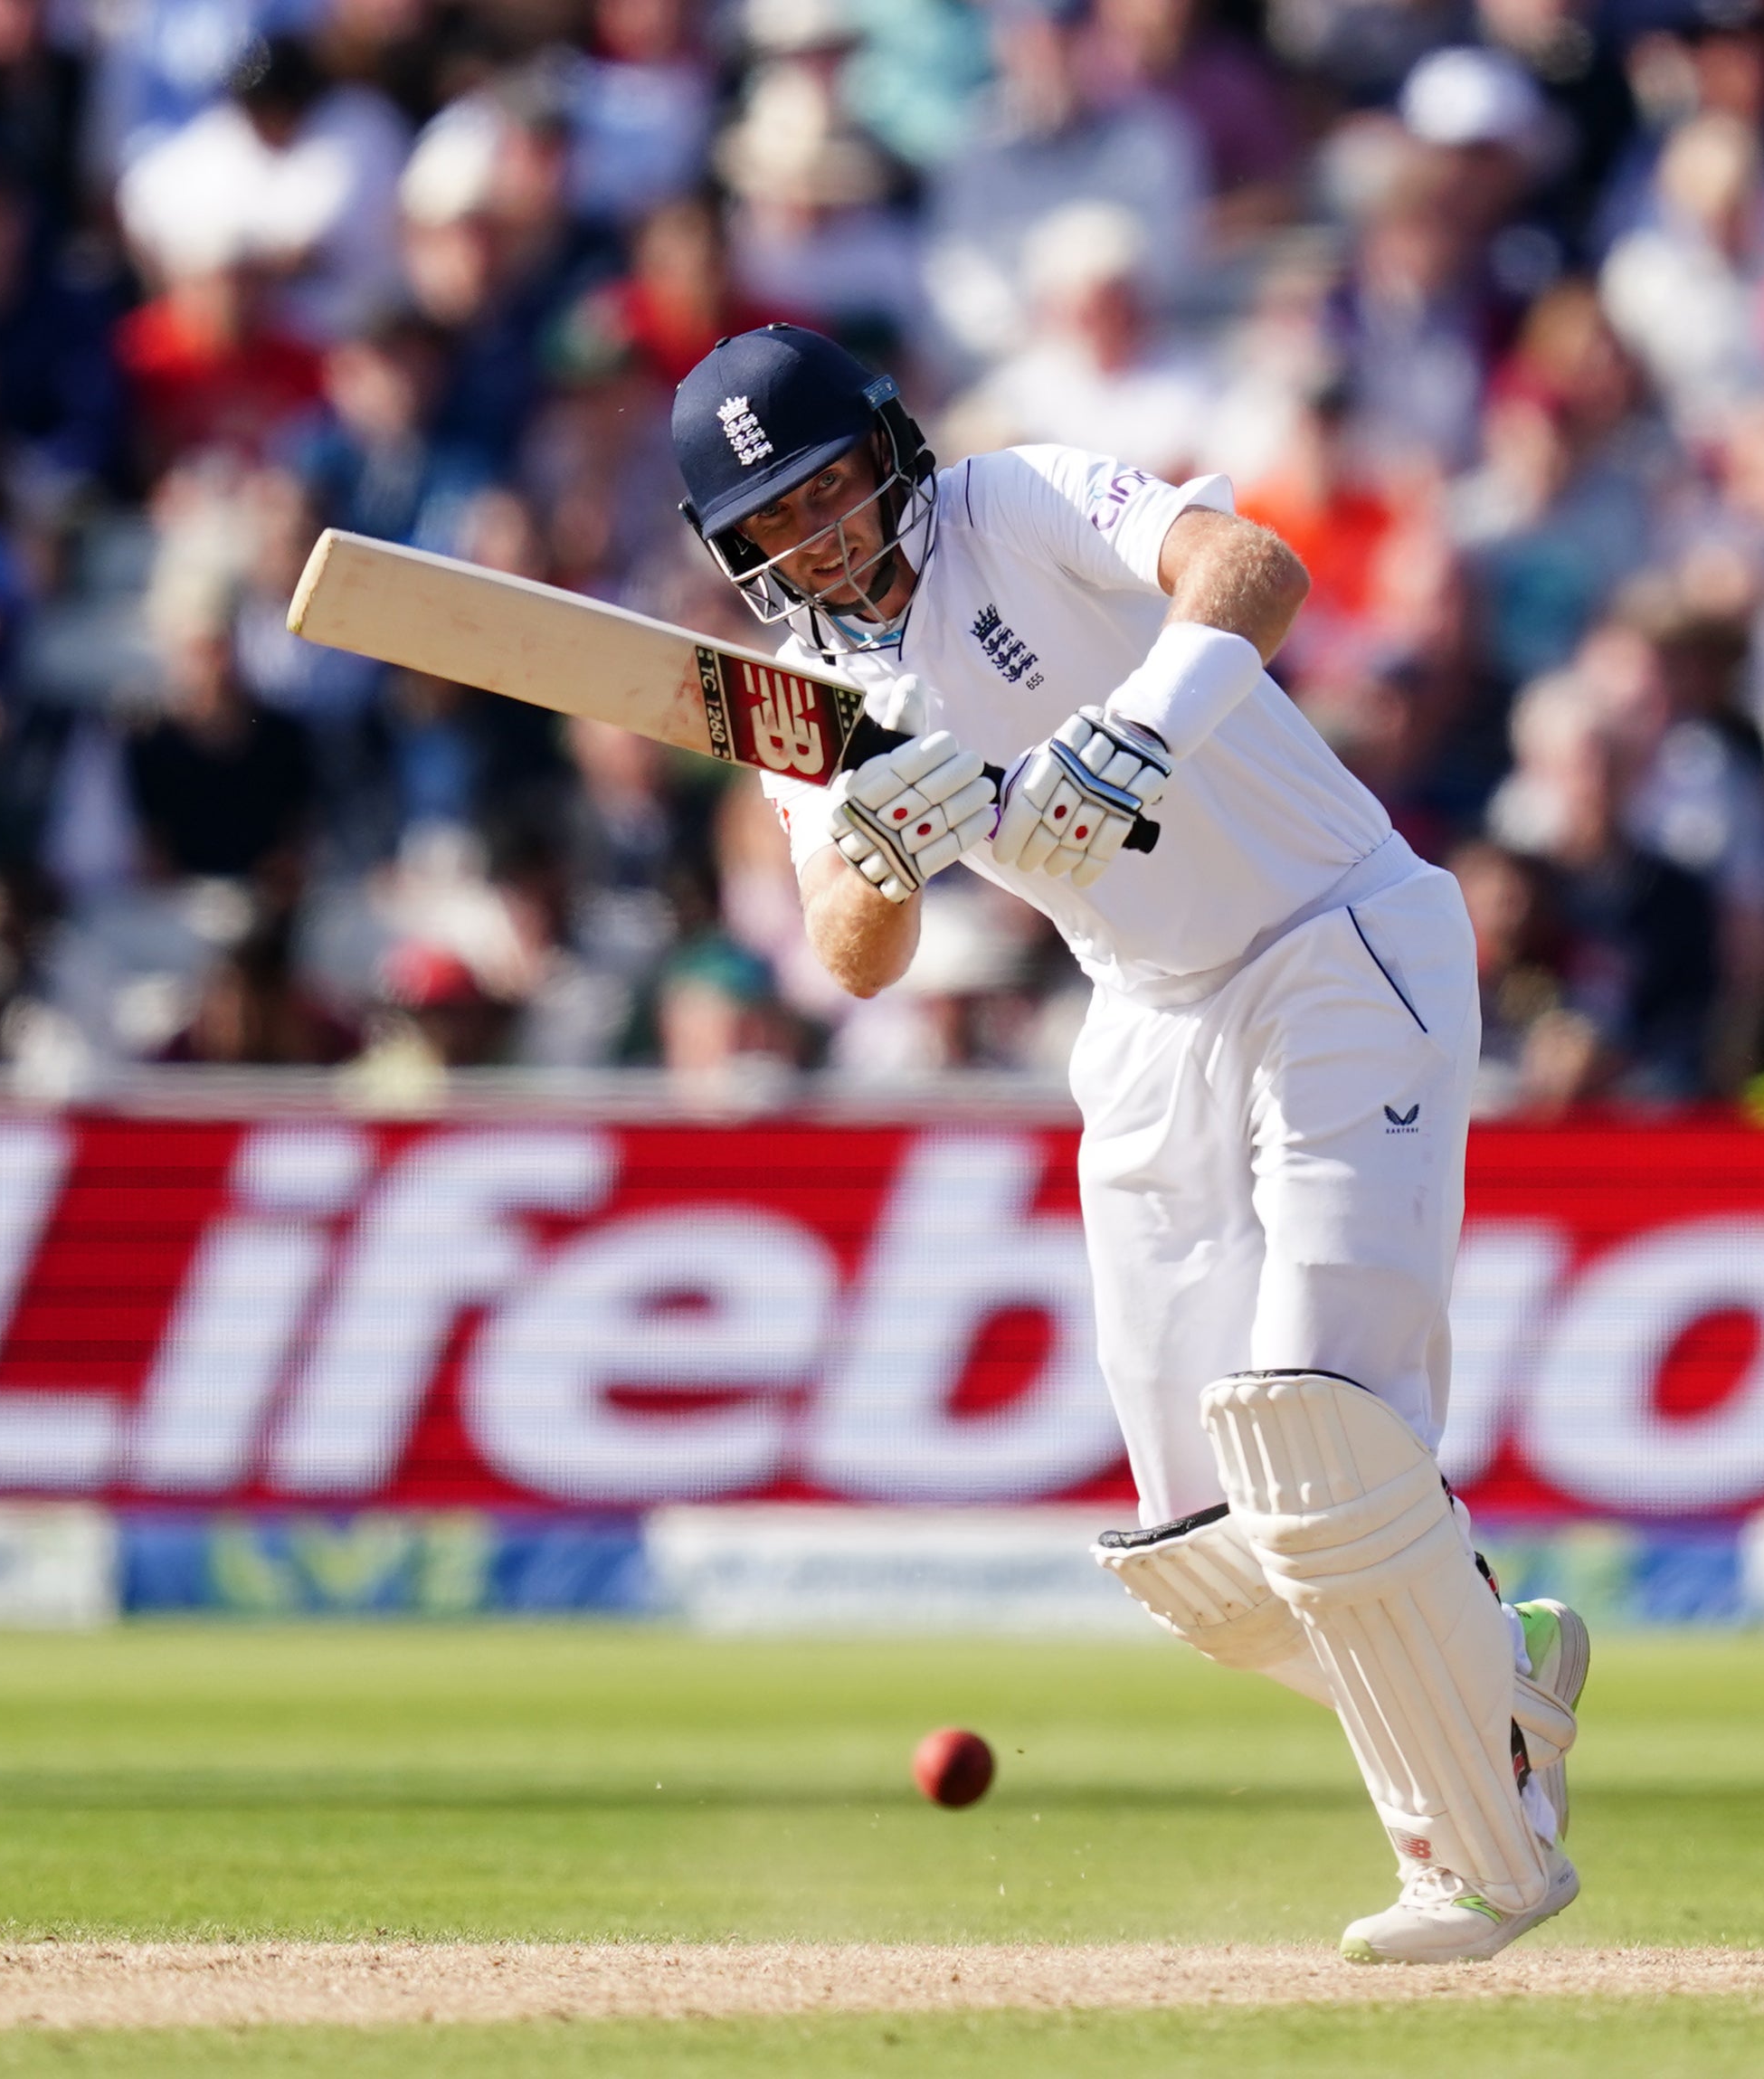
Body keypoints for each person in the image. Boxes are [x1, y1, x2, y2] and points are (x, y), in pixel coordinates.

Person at [669, 321, 1589, 1961]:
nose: (817, 539)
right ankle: (1495, 1663)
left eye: (827, 493)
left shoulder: (1013, 504)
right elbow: (847, 946)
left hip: (1336, 940)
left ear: (886, 454)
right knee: (1208, 1563)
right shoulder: (804, 696)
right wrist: (880, 856)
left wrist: (1144, 721)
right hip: (1150, 1017)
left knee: (1317, 1424)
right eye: (773, 525)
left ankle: (1479, 1854)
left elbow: (1252, 564)